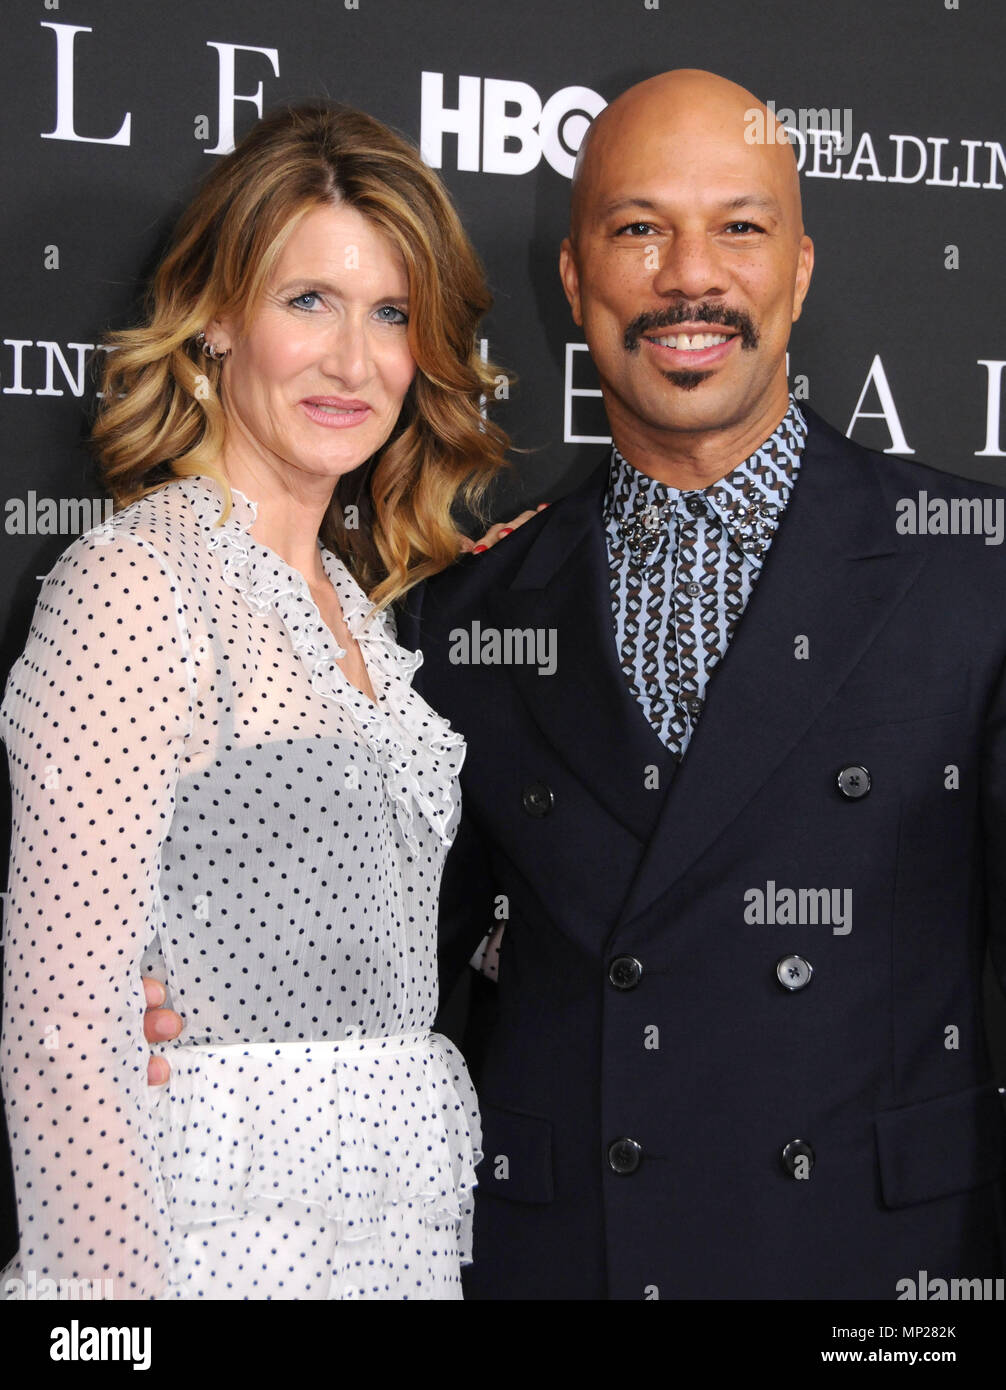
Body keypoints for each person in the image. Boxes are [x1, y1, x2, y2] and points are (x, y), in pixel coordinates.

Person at [144, 68, 1006, 1300]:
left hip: (870, 1278)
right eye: (638, 228)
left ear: (800, 269)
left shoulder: (968, 568)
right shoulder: (460, 609)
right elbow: (394, 968)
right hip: (558, 1262)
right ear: (575, 277)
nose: (689, 276)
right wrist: (206, 1000)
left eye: (739, 228)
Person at [0, 99, 516, 1300]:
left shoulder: (354, 604)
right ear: (219, 322)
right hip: (208, 1237)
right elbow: (66, 1028)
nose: (354, 361)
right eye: (308, 302)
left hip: (388, 1233)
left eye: (391, 313)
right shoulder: (139, 585)